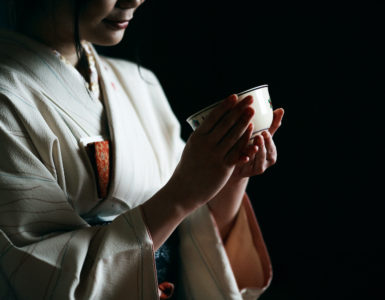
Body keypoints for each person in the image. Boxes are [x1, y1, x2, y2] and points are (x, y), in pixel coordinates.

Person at [0, 0, 285, 299]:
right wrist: (180, 196)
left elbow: (194, 232)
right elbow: (37, 279)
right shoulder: (8, 98)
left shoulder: (141, 84)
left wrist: (231, 176)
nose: (135, 0)